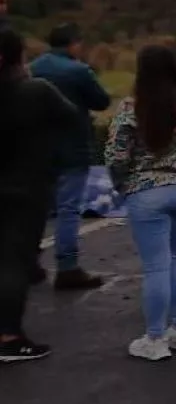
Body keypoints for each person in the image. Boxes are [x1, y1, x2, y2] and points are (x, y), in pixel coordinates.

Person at [105, 45, 176, 361]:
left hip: (147, 191)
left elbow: (116, 156)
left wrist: (121, 184)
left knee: (156, 265)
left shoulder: (133, 105)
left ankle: (154, 338)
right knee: (173, 258)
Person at [0, 29, 76, 361]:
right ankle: (8, 336)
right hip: (24, 187)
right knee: (14, 261)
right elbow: (70, 117)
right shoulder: (35, 90)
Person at [28, 23, 111, 289]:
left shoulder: (33, 68)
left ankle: (28, 262)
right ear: (74, 44)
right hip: (73, 148)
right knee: (68, 209)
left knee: (36, 208)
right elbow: (101, 101)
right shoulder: (78, 71)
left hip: (38, 148)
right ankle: (67, 266)